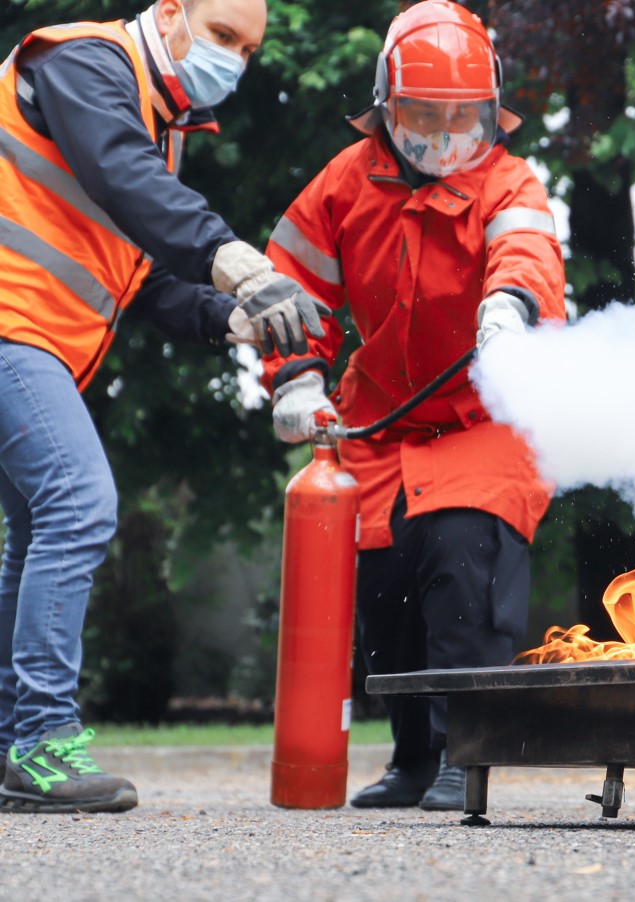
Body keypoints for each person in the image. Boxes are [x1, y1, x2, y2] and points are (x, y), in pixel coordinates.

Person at [0, 0, 332, 814]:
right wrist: (235, 260)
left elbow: (138, 270)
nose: (234, 60)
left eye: (248, 49)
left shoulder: (161, 126)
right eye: (222, 35)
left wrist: (231, 318)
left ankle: (14, 751)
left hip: (36, 340)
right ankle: (41, 742)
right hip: (11, 326)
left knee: (36, 531)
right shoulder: (83, 62)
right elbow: (124, 176)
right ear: (173, 13)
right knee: (79, 504)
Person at [260, 0, 565, 811]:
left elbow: (526, 250)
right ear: (385, 107)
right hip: (381, 421)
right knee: (384, 586)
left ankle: (469, 755)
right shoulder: (344, 181)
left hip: (481, 423)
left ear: (488, 108)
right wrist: (295, 377)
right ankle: (412, 759)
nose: (441, 131)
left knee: (463, 566)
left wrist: (509, 308)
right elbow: (291, 286)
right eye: (420, 114)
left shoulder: (509, 180)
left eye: (460, 116)